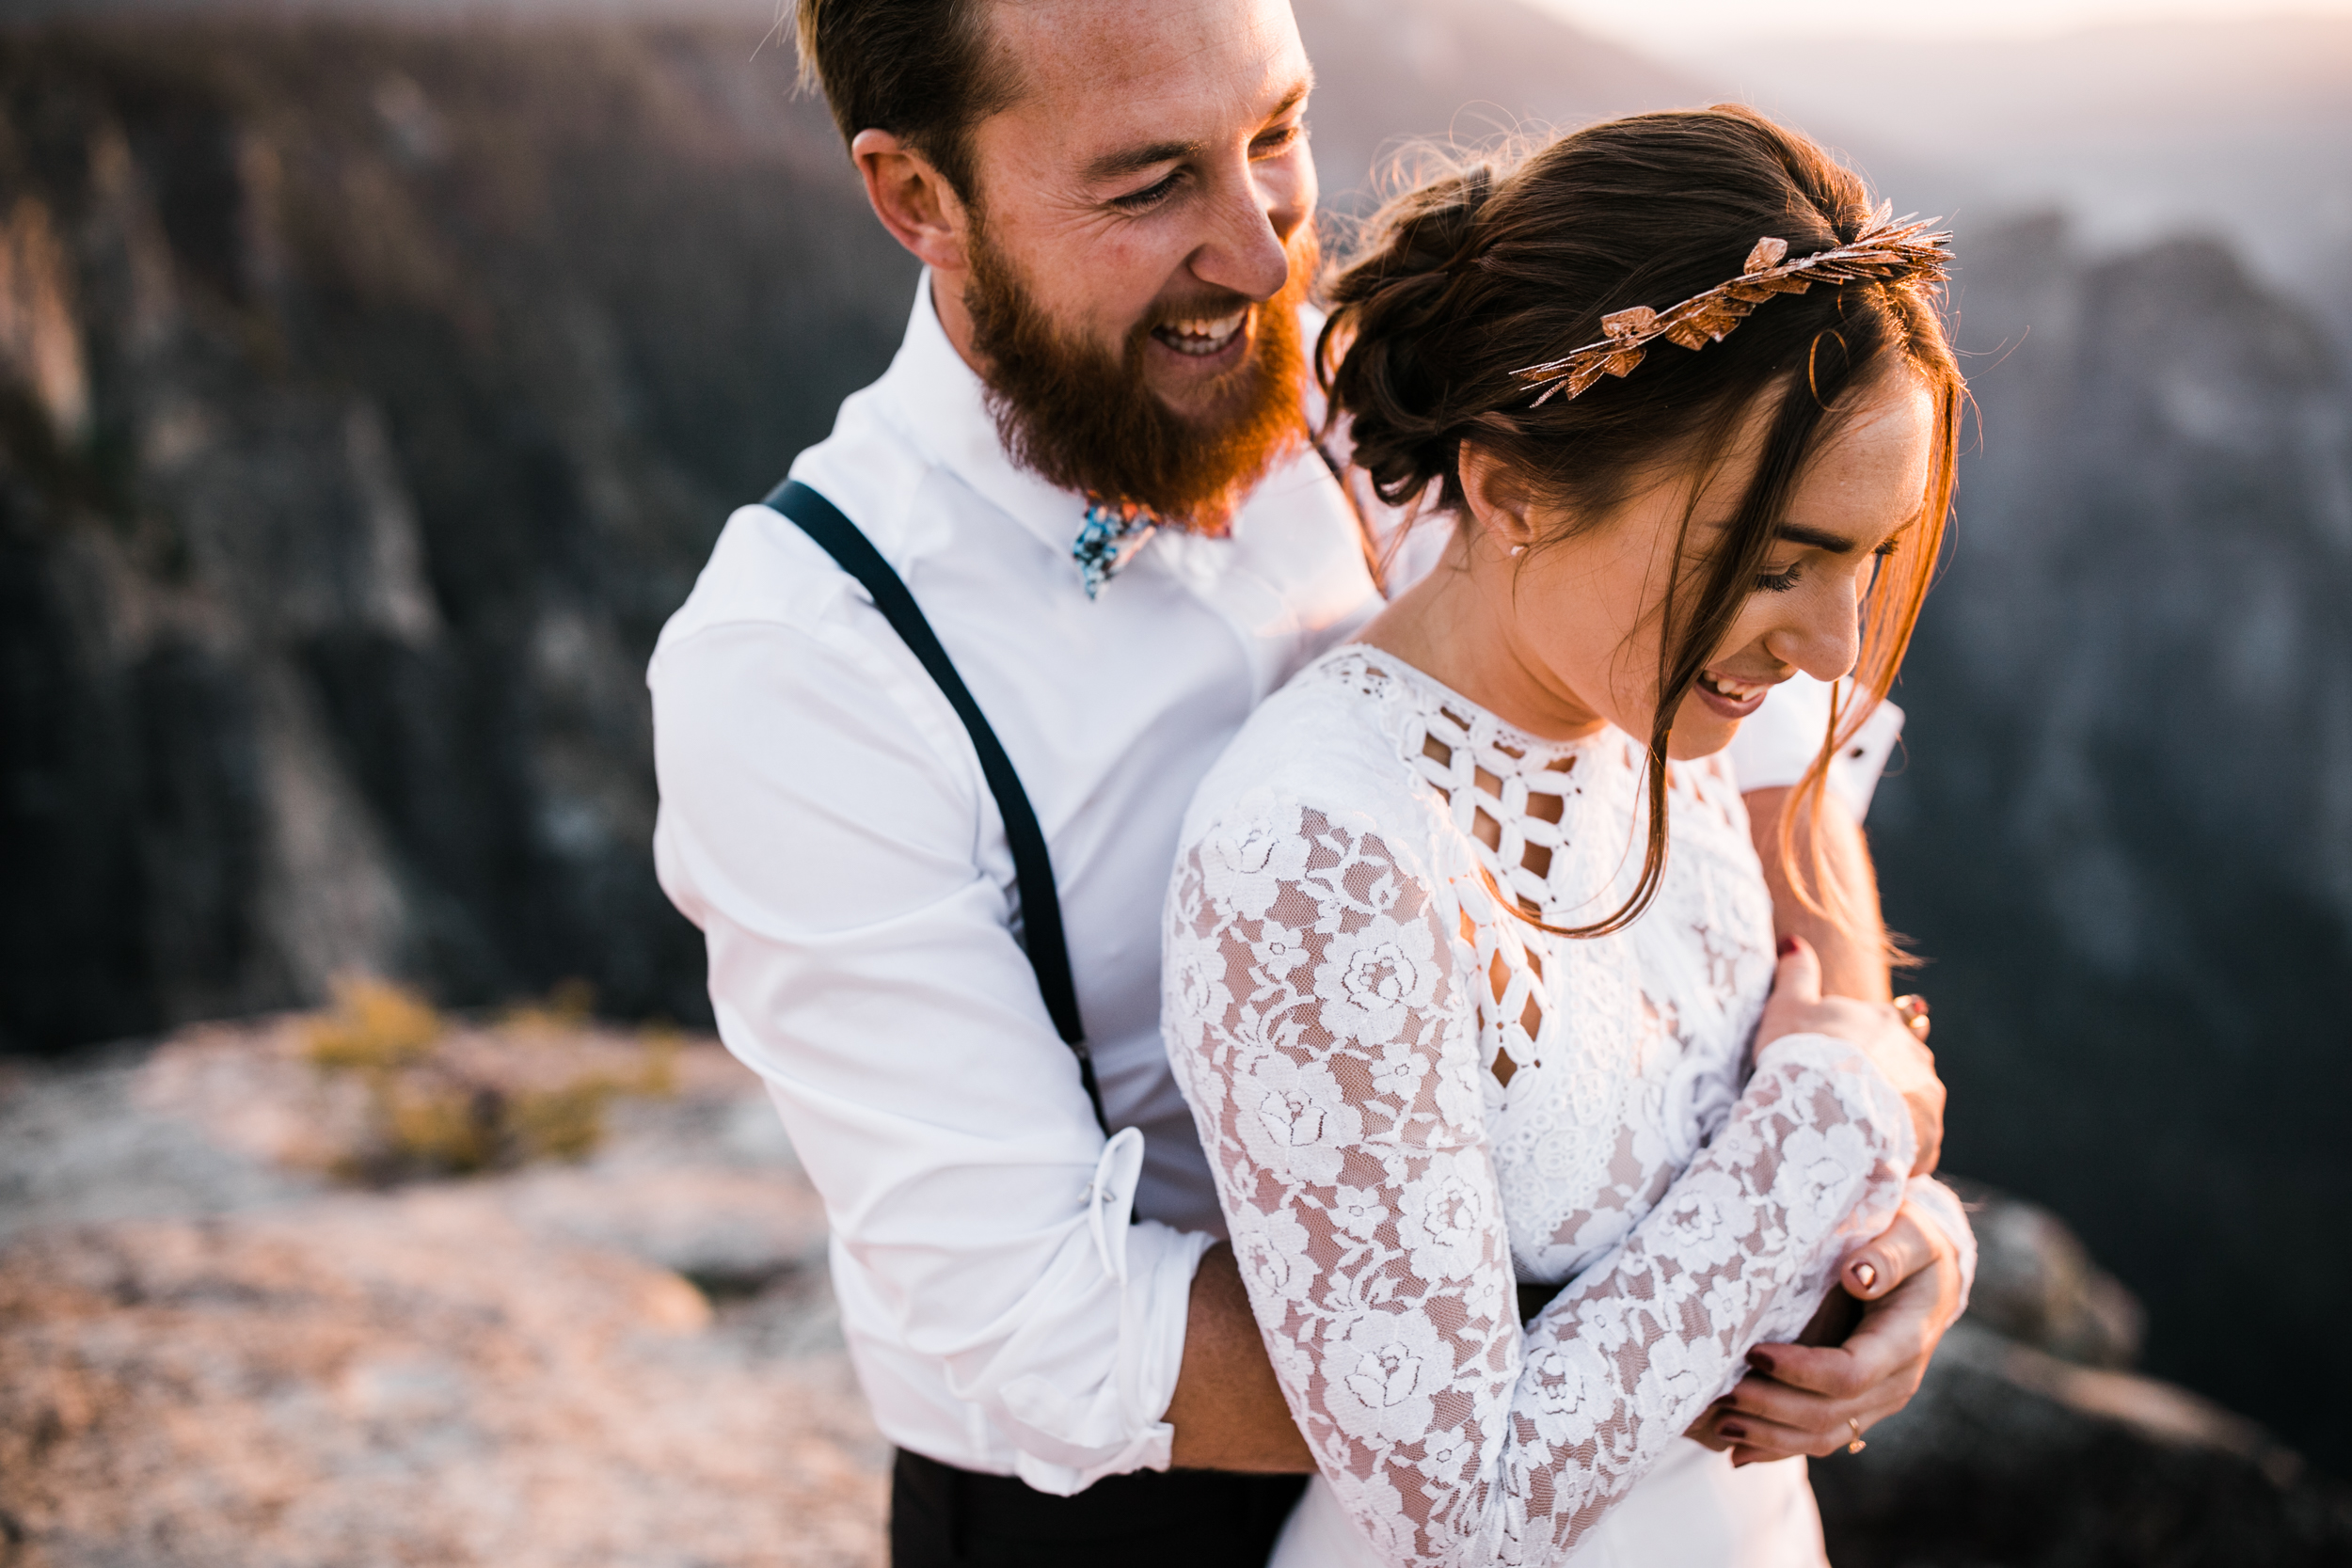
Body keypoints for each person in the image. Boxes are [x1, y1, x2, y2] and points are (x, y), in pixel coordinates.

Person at [647, 1, 1967, 1561]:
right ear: (919, 196)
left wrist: (1863, 1200)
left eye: (1275, 135)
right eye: (1148, 185)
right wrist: (1682, 1310)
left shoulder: (1395, 383)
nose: (1267, 257)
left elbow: (1754, 773)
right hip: (1132, 1513)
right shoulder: (805, 659)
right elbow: (1042, 1319)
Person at [1161, 108, 1975, 1567]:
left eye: (1870, 557)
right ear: (1511, 488)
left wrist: (1902, 1244)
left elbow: (1736, 1165)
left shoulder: (1646, 708)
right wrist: (1839, 1116)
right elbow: (1451, 1512)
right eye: (1777, 563)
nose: (1832, 648)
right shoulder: (1320, 855)